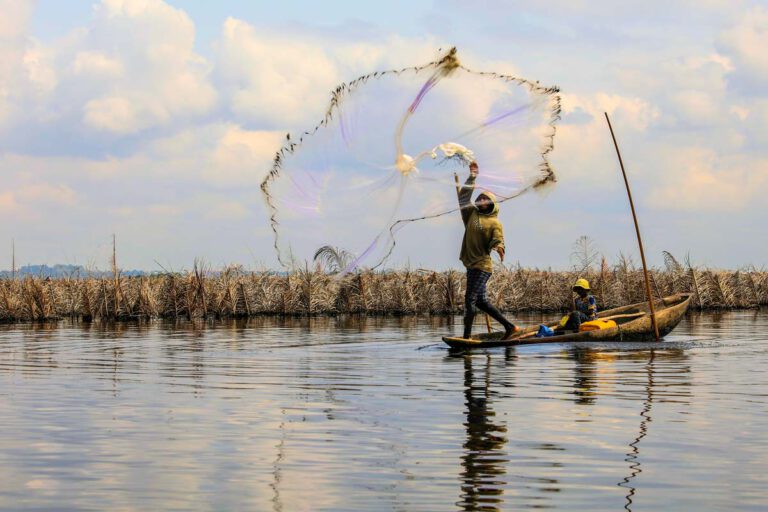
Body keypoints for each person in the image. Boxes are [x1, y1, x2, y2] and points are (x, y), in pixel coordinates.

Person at [457, 161, 518, 340]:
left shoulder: (494, 222)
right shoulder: (471, 214)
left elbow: (498, 239)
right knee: (481, 301)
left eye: (486, 199)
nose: (482, 201)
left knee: (470, 299)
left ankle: (466, 337)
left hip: (482, 266)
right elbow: (463, 197)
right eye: (481, 198)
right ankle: (510, 327)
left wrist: (499, 247)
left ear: (492, 204)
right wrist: (472, 176)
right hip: (471, 264)